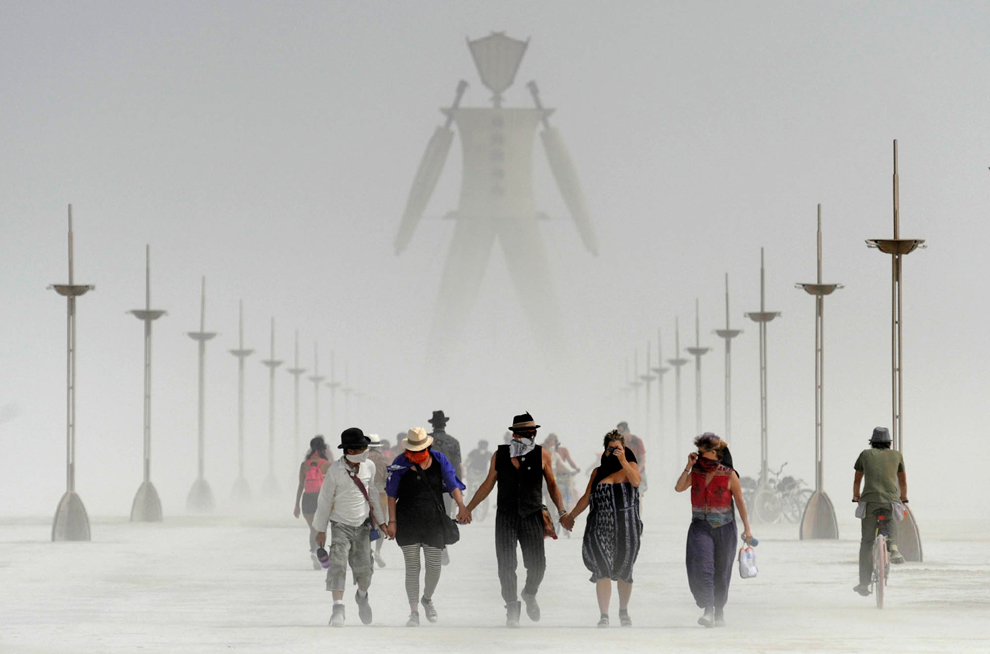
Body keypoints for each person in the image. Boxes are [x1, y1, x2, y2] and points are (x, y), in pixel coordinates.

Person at [463, 412, 568, 627]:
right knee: (506, 565)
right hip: (506, 516)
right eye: (523, 433)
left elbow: (552, 485)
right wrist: (468, 508)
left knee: (538, 565)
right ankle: (512, 608)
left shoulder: (542, 455)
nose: (528, 436)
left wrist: (563, 512)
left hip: (532, 515)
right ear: (515, 434)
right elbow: (487, 484)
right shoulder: (499, 455)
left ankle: (529, 594)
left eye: (531, 432)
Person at [386, 427, 468, 626]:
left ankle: (427, 598)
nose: (414, 453)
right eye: (411, 449)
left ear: (428, 446)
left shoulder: (439, 460)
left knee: (434, 567)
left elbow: (452, 484)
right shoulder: (399, 463)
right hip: (407, 521)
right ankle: (413, 612)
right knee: (412, 568)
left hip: (433, 521)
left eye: (419, 449)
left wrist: (462, 506)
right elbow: (391, 494)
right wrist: (392, 521)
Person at [561, 430, 642, 628]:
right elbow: (587, 497)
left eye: (618, 448)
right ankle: (604, 615)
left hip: (627, 527)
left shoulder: (631, 466)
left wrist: (623, 460)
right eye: (611, 449)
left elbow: (636, 481)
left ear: (625, 449)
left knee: (625, 570)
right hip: (600, 526)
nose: (614, 452)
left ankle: (623, 611)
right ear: (605, 451)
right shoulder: (598, 472)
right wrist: (570, 517)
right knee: (602, 568)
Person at [314, 427, 392, 627]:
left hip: (363, 526)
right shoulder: (335, 471)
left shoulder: (369, 467)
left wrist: (382, 522)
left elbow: (372, 494)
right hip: (340, 525)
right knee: (338, 565)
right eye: (362, 448)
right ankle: (338, 608)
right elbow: (324, 500)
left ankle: (362, 596)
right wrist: (320, 529)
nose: (366, 451)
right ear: (351, 451)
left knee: (364, 569)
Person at [674, 433, 753, 628]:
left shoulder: (729, 474)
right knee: (703, 566)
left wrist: (748, 529)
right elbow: (678, 487)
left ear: (715, 453)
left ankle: (719, 611)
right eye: (698, 453)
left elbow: (740, 503)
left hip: (725, 528)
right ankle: (708, 609)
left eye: (703, 454)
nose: (700, 457)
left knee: (722, 570)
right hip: (700, 527)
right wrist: (688, 466)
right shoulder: (696, 472)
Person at [852, 426, 908, 596]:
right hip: (890, 501)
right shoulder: (897, 455)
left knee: (867, 542)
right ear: (889, 442)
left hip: (870, 502)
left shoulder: (865, 455)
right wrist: (903, 498)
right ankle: (895, 549)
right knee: (891, 520)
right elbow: (903, 483)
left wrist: (856, 496)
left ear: (872, 442)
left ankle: (863, 584)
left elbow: (857, 480)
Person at [294, 436, 332, 569]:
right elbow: (331, 486)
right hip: (321, 498)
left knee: (312, 529)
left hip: (307, 499)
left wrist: (296, 505)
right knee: (321, 528)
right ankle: (320, 553)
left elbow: (300, 485)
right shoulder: (326, 464)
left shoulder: (305, 465)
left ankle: (313, 551)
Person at [367, 434, 391, 568]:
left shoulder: (362, 458)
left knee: (367, 522)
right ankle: (377, 551)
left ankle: (368, 550)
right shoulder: (384, 459)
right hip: (381, 493)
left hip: (364, 493)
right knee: (381, 521)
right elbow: (389, 477)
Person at [617, 421, 647, 493]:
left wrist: (636, 472)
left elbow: (642, 459)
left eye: (621, 431)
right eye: (618, 432)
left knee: (638, 495)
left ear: (627, 431)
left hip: (638, 473)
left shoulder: (637, 441)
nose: (620, 434)